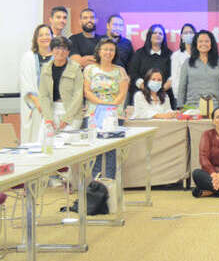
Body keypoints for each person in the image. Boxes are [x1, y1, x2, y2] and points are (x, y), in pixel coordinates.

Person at [84, 38, 129, 178]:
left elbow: (122, 93)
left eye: (111, 50)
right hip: (93, 114)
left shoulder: (120, 71)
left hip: (114, 115)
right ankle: (94, 185)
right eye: (105, 49)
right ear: (99, 51)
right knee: (94, 152)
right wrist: (102, 105)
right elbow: (87, 92)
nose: (108, 52)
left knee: (112, 153)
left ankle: (110, 184)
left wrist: (110, 107)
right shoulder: (90, 69)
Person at [177, 30, 219, 112]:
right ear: (196, 44)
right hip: (192, 109)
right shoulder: (187, 62)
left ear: (211, 44)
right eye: (200, 41)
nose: (203, 44)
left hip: (216, 109)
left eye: (207, 41)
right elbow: (182, 87)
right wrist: (181, 108)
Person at [38, 36, 83, 131]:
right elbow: (43, 95)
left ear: (69, 51)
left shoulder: (76, 68)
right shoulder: (45, 68)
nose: (61, 52)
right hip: (51, 110)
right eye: (57, 48)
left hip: (72, 112)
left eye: (64, 48)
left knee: (65, 139)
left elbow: (78, 95)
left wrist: (66, 119)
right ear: (52, 50)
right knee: (45, 136)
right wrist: (48, 118)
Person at [19, 25, 53, 143]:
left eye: (47, 34)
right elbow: (26, 83)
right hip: (34, 108)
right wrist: (39, 104)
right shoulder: (28, 57)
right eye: (41, 35)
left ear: (52, 37)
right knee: (33, 142)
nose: (45, 37)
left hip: (54, 107)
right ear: (36, 39)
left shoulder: (58, 57)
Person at [128, 24, 173, 107]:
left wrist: (163, 89)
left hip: (164, 97)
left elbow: (173, 75)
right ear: (149, 35)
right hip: (142, 95)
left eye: (160, 33)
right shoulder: (139, 53)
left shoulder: (170, 55)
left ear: (163, 37)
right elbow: (133, 73)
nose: (157, 35)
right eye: (154, 33)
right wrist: (144, 88)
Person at [170, 23, 196, 100]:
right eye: (185, 33)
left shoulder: (200, 54)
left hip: (198, 96)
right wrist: (179, 96)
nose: (188, 35)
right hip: (182, 96)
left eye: (191, 32)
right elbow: (175, 78)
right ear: (181, 36)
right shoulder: (176, 55)